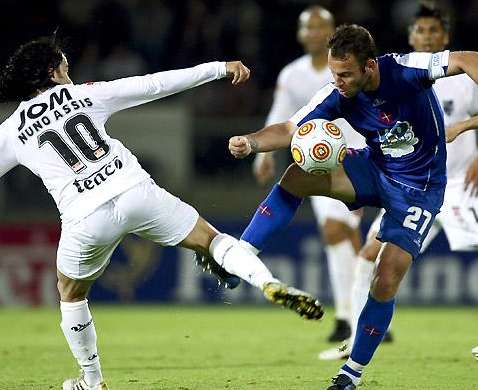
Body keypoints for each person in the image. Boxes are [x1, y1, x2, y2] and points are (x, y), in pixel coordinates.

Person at [0, 36, 324, 390]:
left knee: (70, 292)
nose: (69, 72)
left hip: (84, 216)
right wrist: (218, 68)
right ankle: (268, 282)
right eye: (64, 66)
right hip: (134, 190)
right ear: (51, 72)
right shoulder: (82, 95)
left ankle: (92, 382)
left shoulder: (12, 130)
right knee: (212, 240)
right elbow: (155, 84)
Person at [229, 24, 478, 389]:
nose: (338, 81)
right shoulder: (337, 93)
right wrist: (251, 143)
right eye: (334, 73)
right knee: (296, 175)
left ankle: (350, 375)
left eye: (346, 74)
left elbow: (468, 58)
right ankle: (239, 256)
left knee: (386, 277)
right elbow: (288, 129)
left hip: (419, 189)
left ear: (370, 66)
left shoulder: (406, 69)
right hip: (375, 168)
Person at [318, 3, 478, 361]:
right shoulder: (402, 75)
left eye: (433, 32)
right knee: (368, 256)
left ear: (445, 37)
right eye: (420, 31)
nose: (426, 37)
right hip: (407, 189)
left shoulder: (461, 82)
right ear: (411, 36)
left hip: (457, 185)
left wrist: (470, 136)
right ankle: (361, 340)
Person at [253, 5, 366, 343]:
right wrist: (264, 154)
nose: (315, 32)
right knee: (336, 232)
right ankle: (352, 315)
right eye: (309, 27)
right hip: (315, 164)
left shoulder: (346, 65)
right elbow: (282, 115)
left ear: (333, 32)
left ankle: (356, 312)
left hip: (355, 157)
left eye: (322, 27)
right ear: (301, 34)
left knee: (344, 234)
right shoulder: (291, 75)